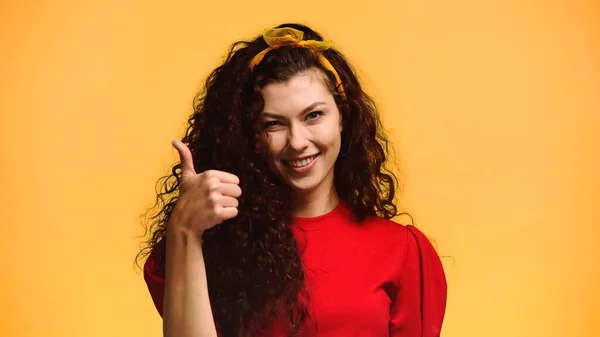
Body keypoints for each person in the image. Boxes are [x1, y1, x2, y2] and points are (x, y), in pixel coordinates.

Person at [136, 23, 447, 337]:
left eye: (313, 115)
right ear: (250, 135)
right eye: (273, 123)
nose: (297, 142)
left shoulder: (402, 250)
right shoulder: (208, 248)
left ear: (343, 116)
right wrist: (185, 229)